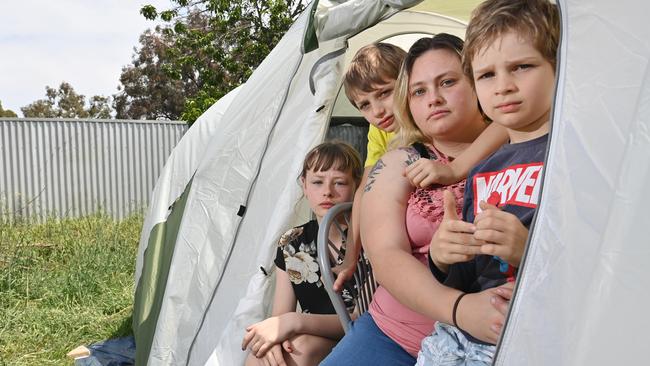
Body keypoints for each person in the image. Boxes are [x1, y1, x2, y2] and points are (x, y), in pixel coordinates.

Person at [321, 34, 511, 366]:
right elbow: (386, 256)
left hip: (500, 340)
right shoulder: (400, 162)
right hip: (394, 336)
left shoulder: (523, 143)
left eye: (448, 82)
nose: (434, 99)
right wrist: (460, 309)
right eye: (419, 91)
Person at [419, 0, 560, 364]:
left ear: (559, 68)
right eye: (486, 75)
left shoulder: (571, 157)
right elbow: (466, 277)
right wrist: (442, 257)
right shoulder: (482, 171)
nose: (503, 87)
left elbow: (604, 266)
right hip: (457, 336)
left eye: (522, 67)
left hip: (534, 336)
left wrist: (529, 250)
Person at [334, 42, 509, 292]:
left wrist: (456, 167)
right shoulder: (384, 134)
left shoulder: (445, 122)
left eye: (385, 93)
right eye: (365, 105)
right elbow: (366, 185)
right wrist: (351, 255)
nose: (378, 111)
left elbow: (502, 124)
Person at [242, 141, 362, 366]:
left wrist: (295, 322)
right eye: (317, 182)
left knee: (300, 351)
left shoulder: (368, 237)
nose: (327, 191)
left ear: (357, 186)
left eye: (340, 182)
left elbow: (361, 317)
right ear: (304, 186)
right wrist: (275, 338)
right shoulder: (291, 242)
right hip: (305, 333)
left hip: (363, 335)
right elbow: (281, 312)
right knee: (261, 357)